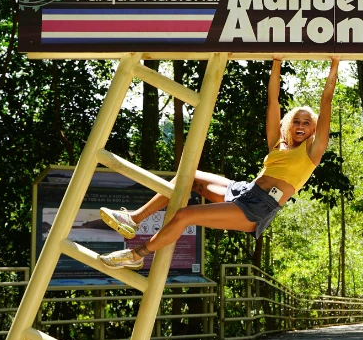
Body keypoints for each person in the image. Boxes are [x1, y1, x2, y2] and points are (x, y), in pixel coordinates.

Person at [96, 57, 340, 268]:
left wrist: (334, 65)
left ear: (314, 129)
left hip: (258, 207)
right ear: (289, 124)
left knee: (184, 215)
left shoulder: (312, 151)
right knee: (189, 176)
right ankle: (134, 219)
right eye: (296, 121)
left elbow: (326, 102)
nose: (300, 125)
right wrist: (276, 61)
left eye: (306, 123)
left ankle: (136, 255)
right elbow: (272, 100)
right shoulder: (277, 143)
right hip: (246, 190)